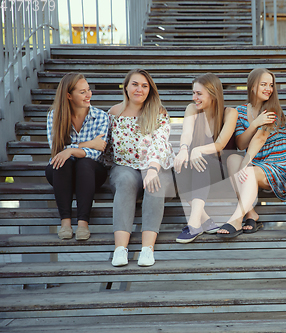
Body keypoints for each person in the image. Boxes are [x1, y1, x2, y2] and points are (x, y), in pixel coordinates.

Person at [107, 69, 175, 267]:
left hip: (155, 166)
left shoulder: (158, 112)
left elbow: (159, 142)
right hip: (124, 167)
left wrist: (152, 169)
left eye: (145, 86)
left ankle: (147, 249)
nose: (140, 89)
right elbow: (107, 146)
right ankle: (120, 250)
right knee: (126, 181)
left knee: (156, 182)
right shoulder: (114, 113)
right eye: (135, 84)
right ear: (126, 87)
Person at [217, 68, 286, 238]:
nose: (269, 88)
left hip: (277, 164)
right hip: (255, 162)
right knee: (231, 160)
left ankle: (236, 220)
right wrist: (254, 123)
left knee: (246, 169)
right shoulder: (241, 111)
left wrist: (246, 163)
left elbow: (260, 138)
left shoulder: (273, 110)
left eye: (271, 85)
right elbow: (240, 143)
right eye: (263, 84)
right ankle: (251, 213)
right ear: (252, 87)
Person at [174, 73, 238, 243]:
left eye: (199, 94)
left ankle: (194, 224)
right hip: (199, 169)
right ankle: (204, 221)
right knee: (178, 164)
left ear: (213, 94)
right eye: (193, 93)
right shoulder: (192, 109)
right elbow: (186, 133)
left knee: (201, 161)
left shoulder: (230, 113)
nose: (194, 97)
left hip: (223, 171)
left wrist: (198, 150)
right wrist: (183, 150)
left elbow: (220, 145)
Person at [45, 73, 108, 241]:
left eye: (88, 90)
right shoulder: (54, 116)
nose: (88, 95)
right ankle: (65, 223)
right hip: (62, 173)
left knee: (85, 163)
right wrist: (86, 145)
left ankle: (82, 224)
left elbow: (98, 151)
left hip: (92, 173)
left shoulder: (101, 116)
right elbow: (57, 150)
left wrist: (71, 150)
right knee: (62, 162)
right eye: (82, 92)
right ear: (68, 95)